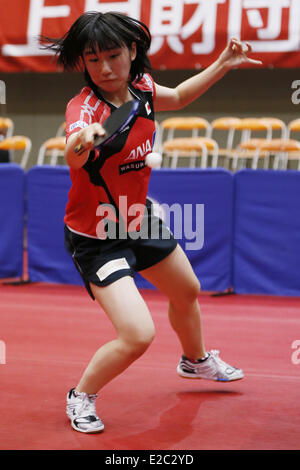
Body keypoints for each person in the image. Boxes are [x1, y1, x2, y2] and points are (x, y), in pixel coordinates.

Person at [43, 11, 261, 434]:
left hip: (137, 219)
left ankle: (194, 361)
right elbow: (73, 149)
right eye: (92, 60)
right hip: (98, 235)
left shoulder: (141, 87)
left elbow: (176, 97)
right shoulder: (84, 106)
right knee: (138, 335)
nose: (104, 68)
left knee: (188, 289)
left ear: (132, 51)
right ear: (83, 64)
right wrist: (81, 141)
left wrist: (221, 64)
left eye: (113, 55)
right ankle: (81, 395)